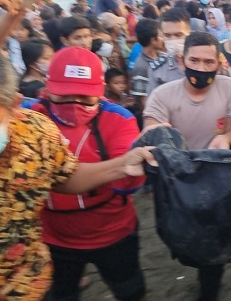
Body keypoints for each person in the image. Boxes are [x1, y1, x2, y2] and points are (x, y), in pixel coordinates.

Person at [0, 41, 154, 300]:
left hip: (31, 285)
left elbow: (64, 176)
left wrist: (121, 166)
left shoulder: (36, 131)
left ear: (13, 106)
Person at [27, 47, 146, 301]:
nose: (74, 105)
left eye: (85, 97)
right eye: (63, 96)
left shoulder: (120, 118)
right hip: (53, 237)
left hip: (113, 232)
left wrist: (133, 167)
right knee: (61, 294)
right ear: (48, 88)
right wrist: (119, 166)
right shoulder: (29, 117)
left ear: (100, 91)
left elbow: (128, 180)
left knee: (130, 290)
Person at [142, 32, 231, 301]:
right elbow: (153, 134)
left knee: (214, 242)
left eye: (209, 62)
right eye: (194, 60)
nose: (201, 68)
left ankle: (209, 290)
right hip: (177, 181)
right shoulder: (162, 95)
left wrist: (225, 138)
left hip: (214, 177)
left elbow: (230, 127)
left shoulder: (229, 87)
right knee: (180, 236)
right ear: (181, 61)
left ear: (219, 63)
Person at [146, 8, 191, 95]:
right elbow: (153, 104)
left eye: (178, 35)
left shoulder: (203, 60)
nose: (173, 40)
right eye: (167, 35)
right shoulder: (158, 69)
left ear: (189, 34)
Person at [129, 18, 166, 110]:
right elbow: (143, 100)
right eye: (161, 35)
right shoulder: (141, 66)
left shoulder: (163, 56)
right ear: (153, 40)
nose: (163, 39)